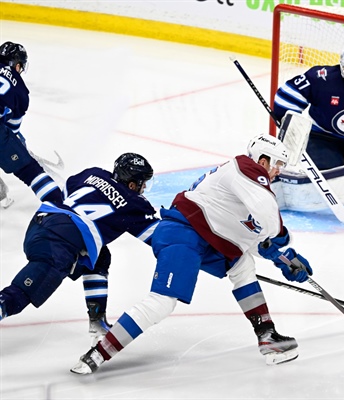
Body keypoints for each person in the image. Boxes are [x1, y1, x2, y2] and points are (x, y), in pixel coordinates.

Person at [70, 134, 313, 374]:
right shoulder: (245, 167)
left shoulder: (245, 188)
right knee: (162, 303)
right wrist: (282, 242)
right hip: (183, 234)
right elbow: (269, 220)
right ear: (263, 160)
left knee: (242, 265)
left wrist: (283, 259)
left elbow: (255, 241)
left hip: (205, 237)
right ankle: (98, 353)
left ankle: (267, 336)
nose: (279, 171)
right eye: (278, 164)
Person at [0, 153, 160, 345]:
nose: (144, 188)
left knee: (98, 257)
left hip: (41, 223)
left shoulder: (94, 174)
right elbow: (160, 237)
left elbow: (65, 194)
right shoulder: (135, 204)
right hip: (60, 242)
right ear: (132, 184)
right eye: (143, 183)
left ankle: (98, 322)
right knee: (17, 296)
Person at [0, 41, 64, 208]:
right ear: (17, 64)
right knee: (30, 171)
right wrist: (19, 147)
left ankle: (1, 195)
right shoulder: (20, 90)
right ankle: (61, 206)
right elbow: (12, 130)